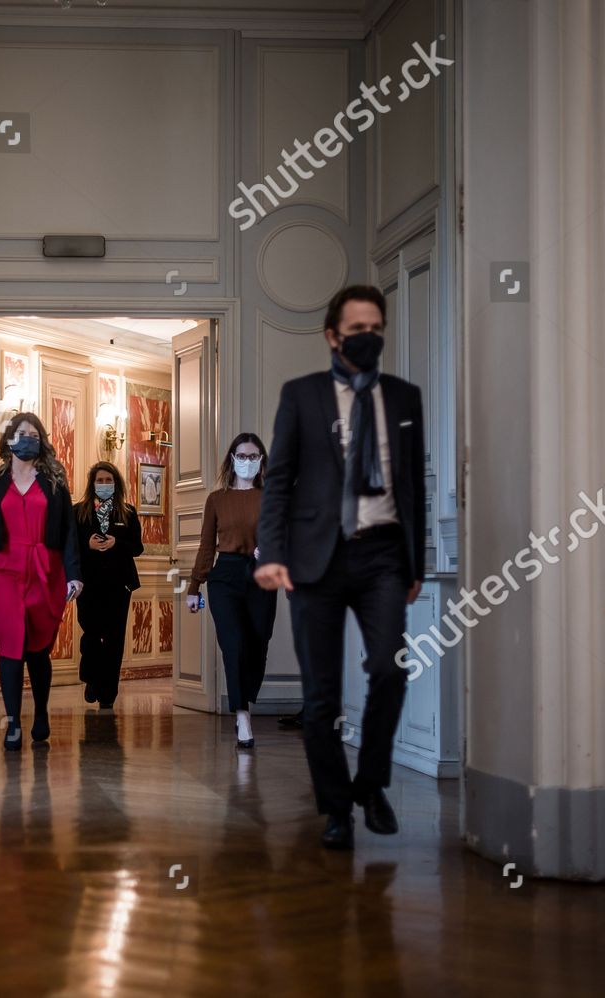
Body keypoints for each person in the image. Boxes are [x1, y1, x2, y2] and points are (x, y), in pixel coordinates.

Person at [255, 284, 426, 851]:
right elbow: (277, 482)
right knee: (321, 695)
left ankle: (371, 783)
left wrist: (415, 563)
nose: (368, 338)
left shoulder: (404, 398)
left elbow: (413, 488)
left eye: (376, 328)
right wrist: (273, 553)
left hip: (381, 554)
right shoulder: (301, 395)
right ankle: (335, 808)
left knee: (391, 669)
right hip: (315, 559)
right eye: (357, 330)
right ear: (333, 336)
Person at [0, 414, 84, 750]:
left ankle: (42, 712)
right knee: (11, 643)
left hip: (45, 570)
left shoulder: (55, 480)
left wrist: (74, 575)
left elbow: (68, 533)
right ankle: (14, 722)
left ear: (42, 440)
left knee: (37, 647)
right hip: (1, 570)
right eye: (21, 433)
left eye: (33, 434)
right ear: (9, 438)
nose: (27, 439)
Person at [186, 434, 277, 748]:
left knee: (258, 642)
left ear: (262, 460)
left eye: (254, 456)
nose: (247, 461)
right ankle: (241, 715)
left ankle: (246, 701)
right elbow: (206, 546)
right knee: (233, 644)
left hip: (262, 576)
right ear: (232, 457)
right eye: (242, 455)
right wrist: (194, 586)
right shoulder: (217, 499)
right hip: (225, 576)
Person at [71, 462, 143, 708]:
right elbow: (69, 548)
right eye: (99, 480)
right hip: (88, 585)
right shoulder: (78, 512)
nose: (104, 484)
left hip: (118, 586)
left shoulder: (128, 512)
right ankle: (91, 677)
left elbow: (137, 547)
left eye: (108, 480)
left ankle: (107, 696)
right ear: (92, 484)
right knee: (91, 635)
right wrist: (88, 546)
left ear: (116, 483)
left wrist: (116, 543)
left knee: (114, 641)